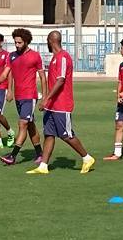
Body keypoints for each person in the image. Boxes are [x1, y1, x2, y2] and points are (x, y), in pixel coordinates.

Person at [27, 31, 95, 175]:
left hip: (61, 105)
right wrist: (47, 101)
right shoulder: (55, 58)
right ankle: (43, 166)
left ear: (51, 41)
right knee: (49, 134)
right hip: (51, 106)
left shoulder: (63, 57)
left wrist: (46, 98)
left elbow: (61, 80)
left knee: (66, 135)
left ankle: (87, 158)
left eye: (47, 41)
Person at [0, 28, 46, 166]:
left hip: (30, 96)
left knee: (22, 123)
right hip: (19, 97)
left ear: (26, 42)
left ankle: (13, 156)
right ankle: (40, 153)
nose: (17, 45)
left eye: (19, 42)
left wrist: (45, 97)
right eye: (15, 42)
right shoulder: (11, 56)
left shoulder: (35, 56)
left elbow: (42, 76)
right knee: (30, 125)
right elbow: (6, 72)